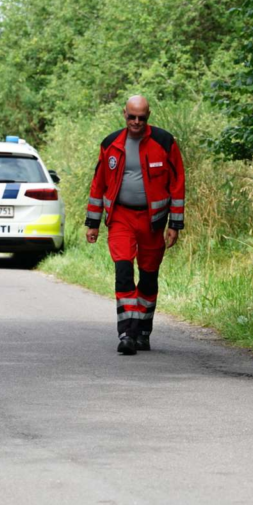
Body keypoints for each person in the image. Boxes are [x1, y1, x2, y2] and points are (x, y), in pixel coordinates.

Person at [85, 95, 186, 355]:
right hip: (120, 218)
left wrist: (175, 223)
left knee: (149, 276)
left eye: (142, 117)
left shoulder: (164, 142)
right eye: (132, 117)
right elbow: (98, 184)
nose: (137, 122)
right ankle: (127, 332)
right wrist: (93, 222)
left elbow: (177, 184)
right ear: (124, 114)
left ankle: (143, 330)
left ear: (149, 115)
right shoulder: (111, 143)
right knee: (123, 271)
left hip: (153, 221)